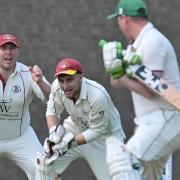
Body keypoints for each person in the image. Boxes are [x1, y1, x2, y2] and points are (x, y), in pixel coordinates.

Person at [101, 0, 180, 179]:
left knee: (122, 160)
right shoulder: (134, 45)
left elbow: (150, 92)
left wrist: (122, 75)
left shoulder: (153, 41)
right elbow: (116, 83)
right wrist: (116, 71)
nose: (118, 25)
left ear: (125, 19)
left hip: (166, 116)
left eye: (118, 20)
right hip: (149, 121)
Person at [35, 58, 126, 180]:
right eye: (61, 81)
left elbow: (97, 130)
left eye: (69, 80)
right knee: (45, 163)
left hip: (105, 138)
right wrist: (54, 136)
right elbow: (52, 111)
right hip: (76, 129)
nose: (65, 86)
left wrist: (67, 143)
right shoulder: (57, 86)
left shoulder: (97, 96)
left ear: (80, 76)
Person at [0, 33, 51, 179]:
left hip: (20, 138)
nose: (8, 52)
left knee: (45, 171)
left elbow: (52, 99)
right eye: (3, 48)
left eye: (12, 48)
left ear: (18, 52)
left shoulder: (28, 74)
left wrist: (40, 82)